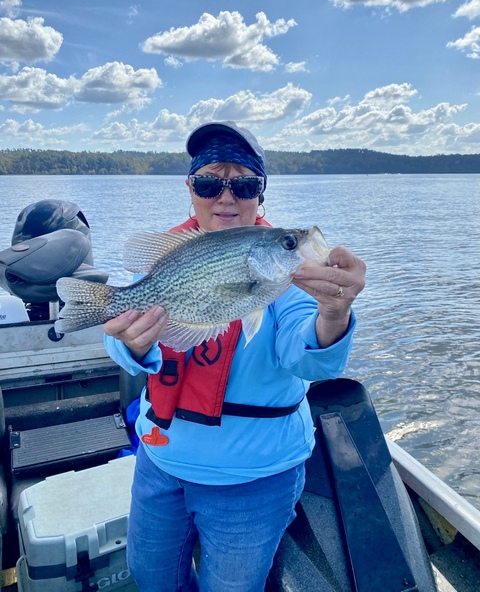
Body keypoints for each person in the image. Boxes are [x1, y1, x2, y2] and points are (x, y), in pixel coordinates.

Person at [103, 121, 366, 592]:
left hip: (252, 477)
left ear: (260, 194)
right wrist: (130, 341)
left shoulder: (285, 265)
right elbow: (123, 345)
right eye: (209, 182)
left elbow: (309, 359)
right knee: (150, 578)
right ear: (190, 188)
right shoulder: (174, 252)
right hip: (160, 461)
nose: (226, 198)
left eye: (243, 184)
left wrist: (334, 312)